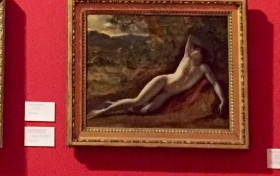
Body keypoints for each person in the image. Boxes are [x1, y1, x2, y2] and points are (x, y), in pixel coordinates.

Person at [87, 34, 225, 120]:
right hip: (163, 82)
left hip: (168, 93)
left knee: (144, 111)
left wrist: (223, 100)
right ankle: (102, 111)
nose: (193, 51)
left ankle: (115, 104)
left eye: (197, 50)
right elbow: (191, 37)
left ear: (202, 54)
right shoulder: (186, 58)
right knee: (137, 101)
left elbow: (215, 84)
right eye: (194, 48)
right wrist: (205, 44)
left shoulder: (203, 68)